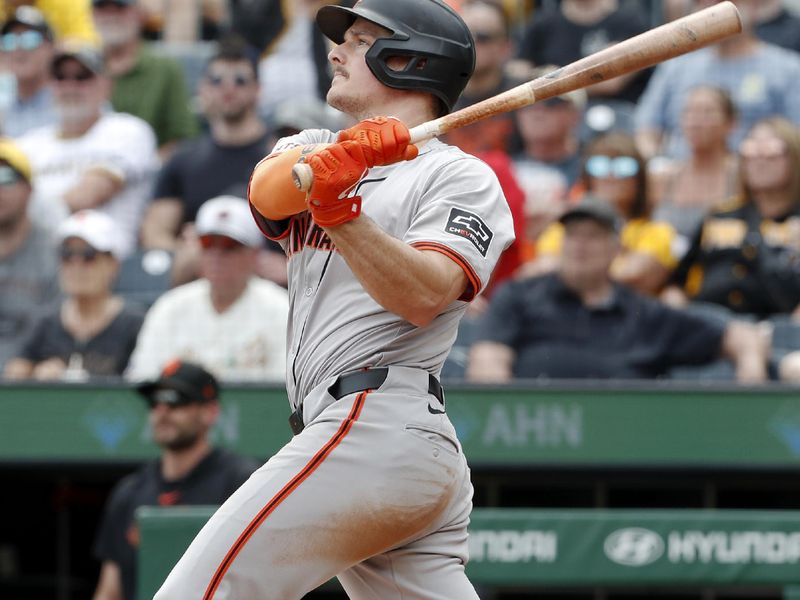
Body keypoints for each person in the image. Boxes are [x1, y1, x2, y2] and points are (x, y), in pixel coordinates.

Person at [154, 1, 513, 598]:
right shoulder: (315, 142)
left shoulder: (458, 176)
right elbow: (268, 196)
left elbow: (425, 294)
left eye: (359, 39)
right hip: (349, 433)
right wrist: (337, 168)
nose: (335, 51)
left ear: (408, 60)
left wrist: (341, 210)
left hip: (380, 422)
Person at [467, 196, 768, 383]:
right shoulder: (519, 296)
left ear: (617, 249)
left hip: (630, 460)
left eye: (594, 235)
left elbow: (739, 336)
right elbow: (487, 363)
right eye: (572, 235)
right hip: (534, 444)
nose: (580, 245)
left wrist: (752, 372)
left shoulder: (643, 312)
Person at [92, 359, 260, 600]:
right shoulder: (129, 491)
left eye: (175, 401)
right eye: (155, 403)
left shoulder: (241, 481)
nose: (162, 411)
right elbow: (109, 592)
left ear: (209, 412)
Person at [139, 35, 275, 281]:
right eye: (216, 80)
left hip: (270, 285)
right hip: (201, 284)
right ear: (202, 88)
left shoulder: (280, 155)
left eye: (240, 80)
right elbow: (155, 233)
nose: (228, 88)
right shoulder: (183, 159)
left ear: (258, 90)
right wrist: (200, 254)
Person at [17, 42, 158, 258]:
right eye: (60, 78)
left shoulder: (127, 130)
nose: (70, 86)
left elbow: (89, 195)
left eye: (82, 77)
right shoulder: (27, 144)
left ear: (106, 85)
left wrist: (19, 212)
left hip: (105, 262)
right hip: (36, 266)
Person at [127, 195, 289, 382]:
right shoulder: (171, 307)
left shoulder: (280, 308)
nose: (216, 256)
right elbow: (143, 379)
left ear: (254, 253)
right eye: (207, 244)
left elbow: (283, 392)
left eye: (230, 246)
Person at [664, 117, 800, 319]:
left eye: (771, 154)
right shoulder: (719, 215)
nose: (759, 162)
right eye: (750, 153)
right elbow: (677, 283)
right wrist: (676, 312)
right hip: (709, 324)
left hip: (779, 327)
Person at [635, 0, 800, 160]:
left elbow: (795, 139)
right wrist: (656, 165)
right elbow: (646, 130)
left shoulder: (788, 69)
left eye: (721, 1)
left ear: (753, 5)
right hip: (680, 176)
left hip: (752, 179)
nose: (710, 9)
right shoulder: (676, 67)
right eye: (700, 1)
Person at [532, 132, 679, 296]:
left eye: (624, 167)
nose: (610, 175)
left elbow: (632, 275)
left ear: (640, 180)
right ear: (587, 177)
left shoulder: (657, 232)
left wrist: (572, 268)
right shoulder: (565, 227)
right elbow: (543, 268)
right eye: (599, 165)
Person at [3, 209, 144, 380]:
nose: (76, 266)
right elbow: (16, 371)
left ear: (113, 264)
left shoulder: (135, 323)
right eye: (67, 255)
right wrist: (34, 372)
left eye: (89, 256)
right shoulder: (46, 321)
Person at [92, 0, 198, 159]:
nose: (111, 17)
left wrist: (149, 165)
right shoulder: (78, 69)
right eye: (102, 9)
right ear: (92, 15)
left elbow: (184, 138)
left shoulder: (164, 69)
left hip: (151, 173)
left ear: (139, 14)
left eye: (120, 8)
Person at [515, 0, 650, 104]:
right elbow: (517, 72)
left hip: (614, 113)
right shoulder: (543, 24)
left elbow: (611, 82)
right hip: (556, 112)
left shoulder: (629, 20)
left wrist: (549, 79)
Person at [650, 85, 739, 240]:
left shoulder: (742, 176)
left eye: (708, 112)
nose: (695, 122)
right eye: (689, 112)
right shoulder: (662, 178)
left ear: (730, 123)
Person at [0, 137, 59, 370]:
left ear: (29, 189)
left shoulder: (56, 252)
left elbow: (58, 332)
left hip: (31, 387)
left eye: (5, 179)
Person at [0, 6, 59, 137]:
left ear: (51, 47)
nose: (18, 49)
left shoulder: (73, 97)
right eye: (9, 41)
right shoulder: (2, 108)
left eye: (30, 39)